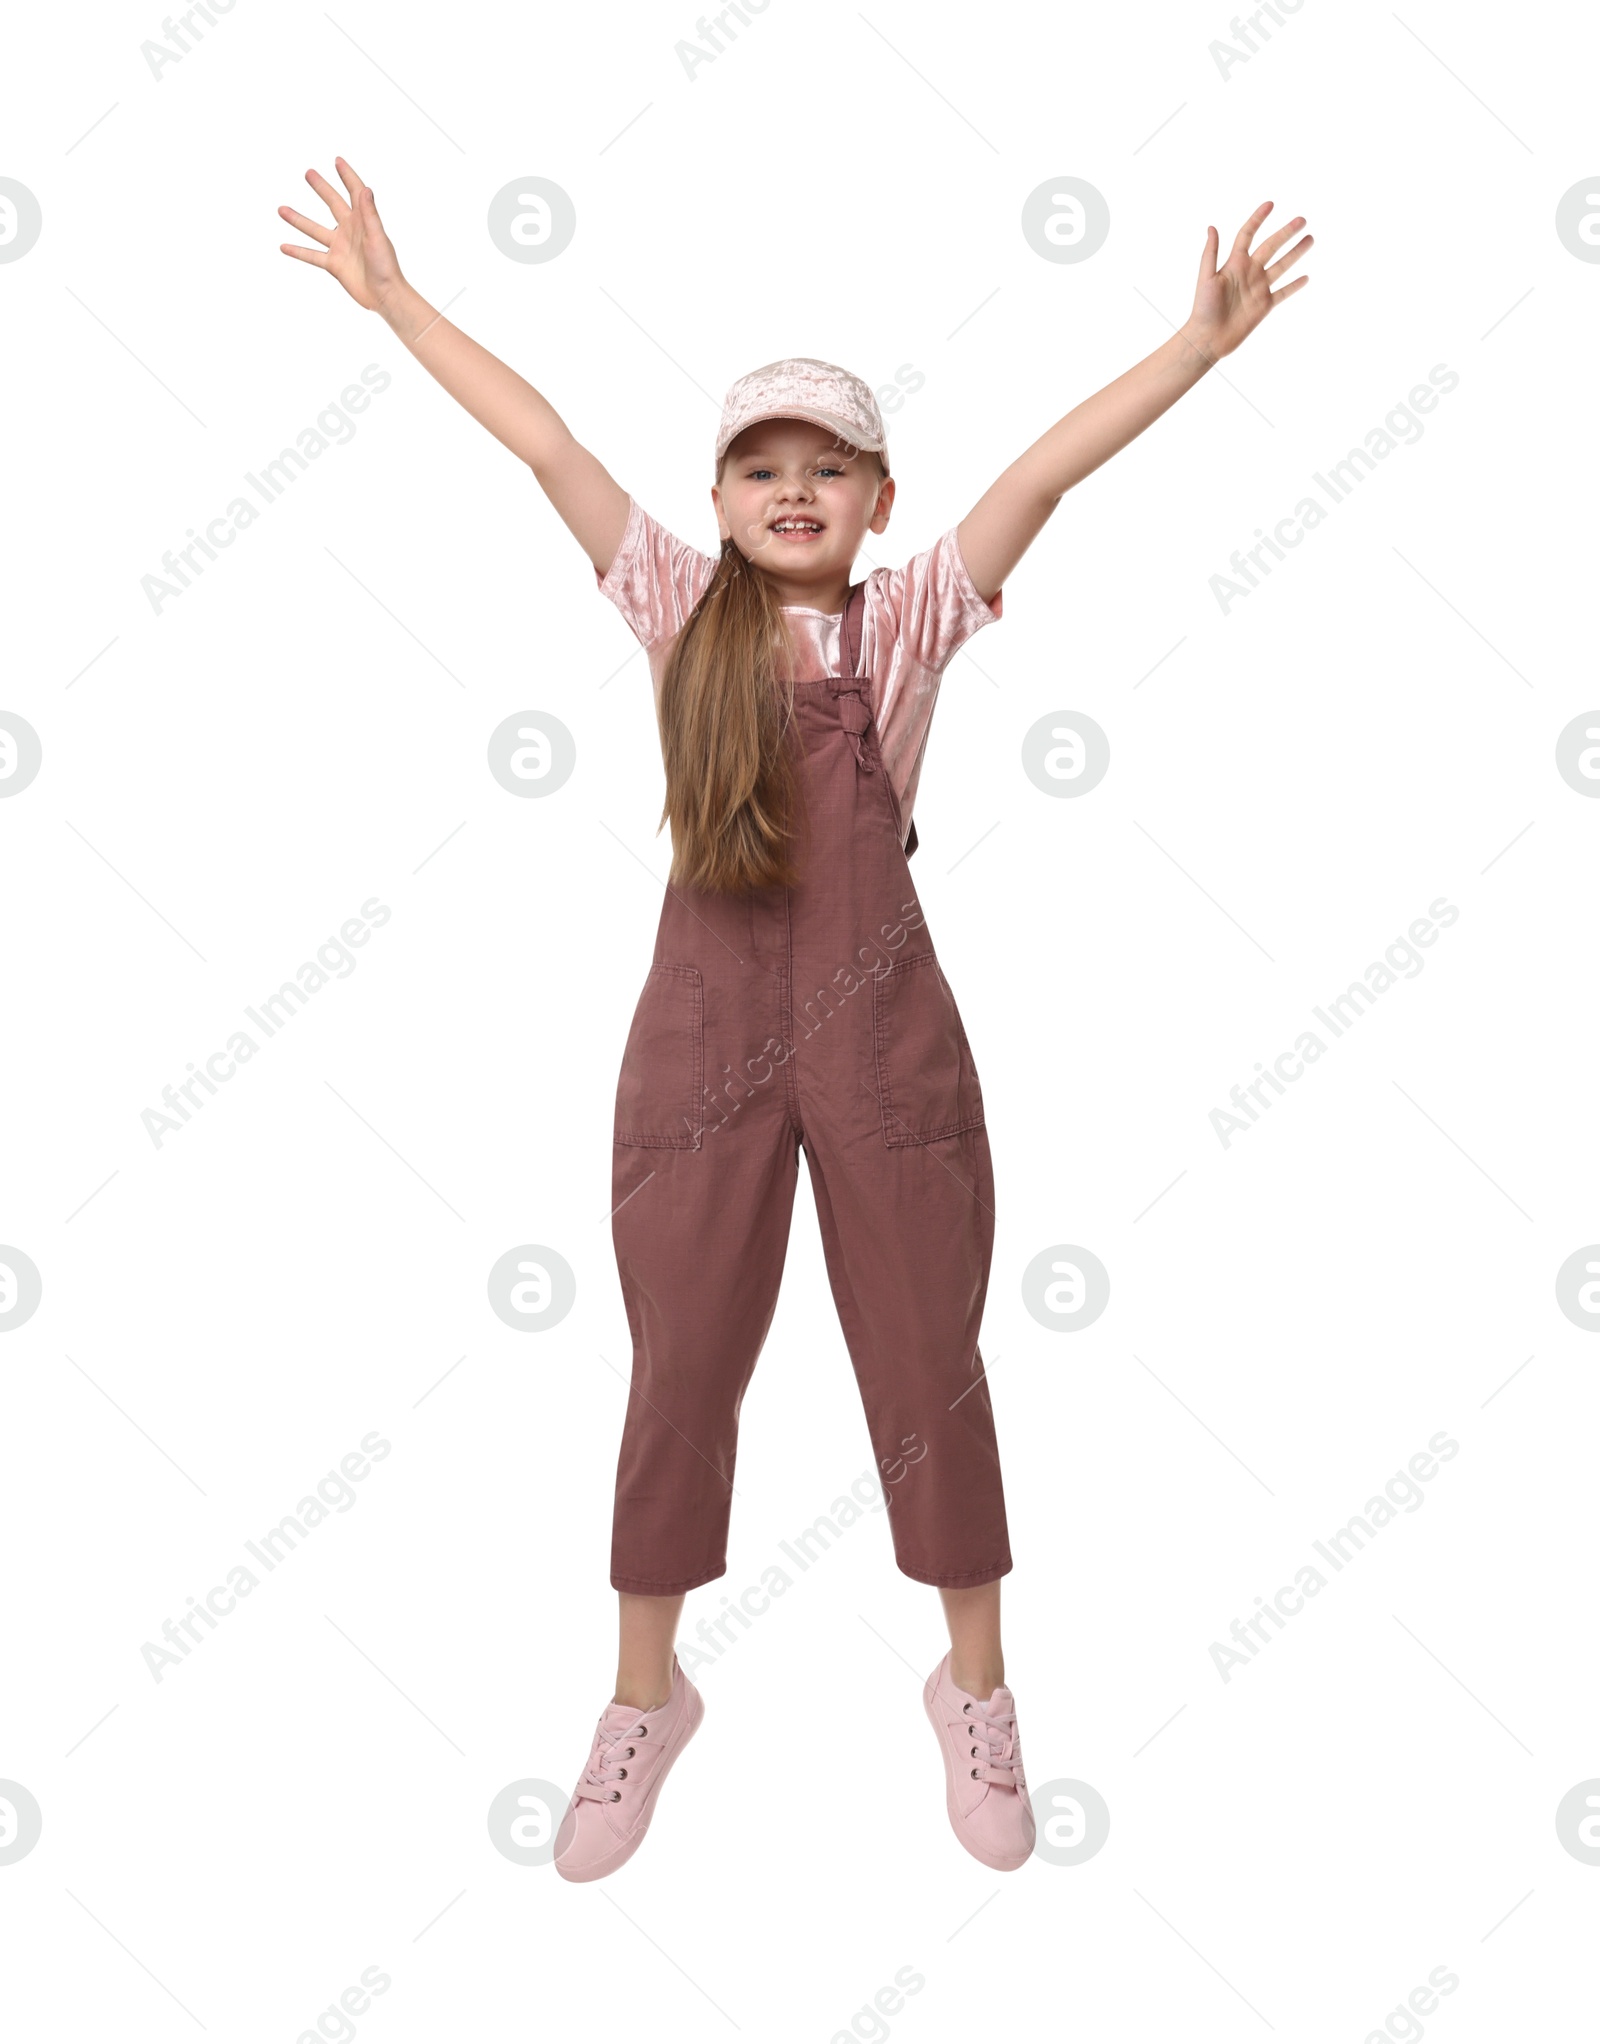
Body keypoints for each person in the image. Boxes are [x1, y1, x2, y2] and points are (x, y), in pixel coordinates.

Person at [279, 160, 1311, 1883]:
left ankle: (974, 1686)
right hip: (700, 1043)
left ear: (876, 499)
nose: (792, 489)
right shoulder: (677, 610)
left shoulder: (908, 623)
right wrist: (394, 305)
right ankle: (641, 1699)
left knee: (926, 1357)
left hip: (882, 1039)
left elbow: (1041, 473)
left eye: (825, 468)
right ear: (718, 499)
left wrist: (1191, 353)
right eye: (761, 468)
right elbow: (544, 444)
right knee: (681, 1361)